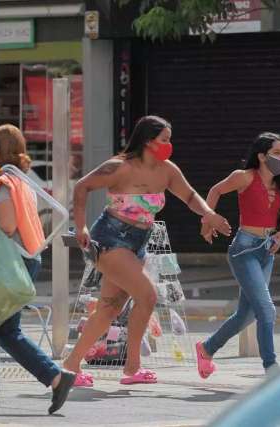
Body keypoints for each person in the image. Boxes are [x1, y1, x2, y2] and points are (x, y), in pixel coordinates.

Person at [63, 115, 232, 386]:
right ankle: (132, 366)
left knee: (109, 308)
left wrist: (209, 214)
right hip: (111, 237)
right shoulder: (120, 167)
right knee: (148, 295)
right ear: (147, 140)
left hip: (138, 241)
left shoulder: (167, 170)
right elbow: (82, 187)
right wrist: (81, 227)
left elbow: (189, 196)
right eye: (164, 139)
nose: (169, 145)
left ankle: (71, 366)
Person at [0, 124, 75, 414]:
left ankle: (56, 377)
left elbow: (6, 226)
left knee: (4, 330)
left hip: (12, 261)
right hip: (21, 258)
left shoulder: (6, 182)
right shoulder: (21, 179)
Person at [196, 132, 280, 377]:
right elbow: (215, 190)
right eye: (277, 153)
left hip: (267, 250)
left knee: (247, 313)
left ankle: (207, 348)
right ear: (262, 156)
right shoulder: (244, 177)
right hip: (244, 250)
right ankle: (271, 368)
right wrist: (208, 220)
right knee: (267, 310)